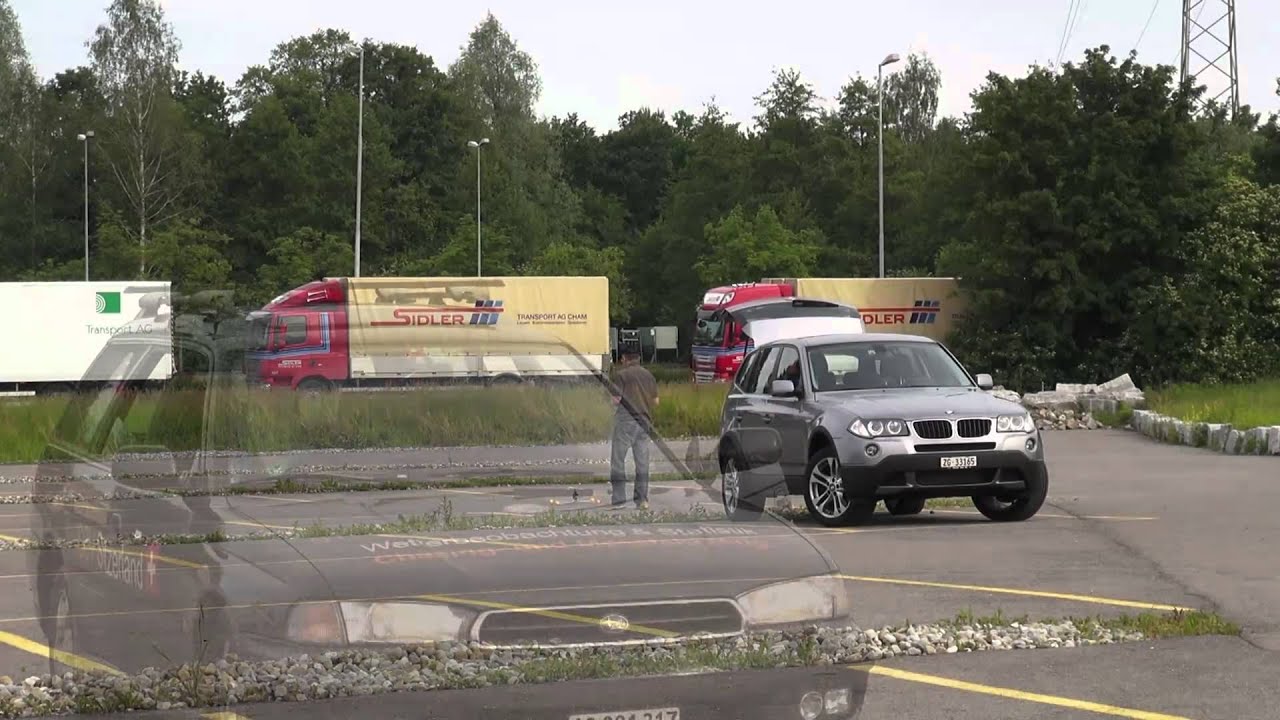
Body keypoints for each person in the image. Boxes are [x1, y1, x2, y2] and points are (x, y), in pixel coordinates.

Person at [609, 344, 659, 509]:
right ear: (638, 358)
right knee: (642, 462)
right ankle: (642, 499)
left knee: (618, 460)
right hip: (644, 422)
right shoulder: (648, 375)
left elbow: (615, 400)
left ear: (624, 358)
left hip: (625, 421)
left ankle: (619, 499)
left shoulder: (621, 375)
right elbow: (655, 401)